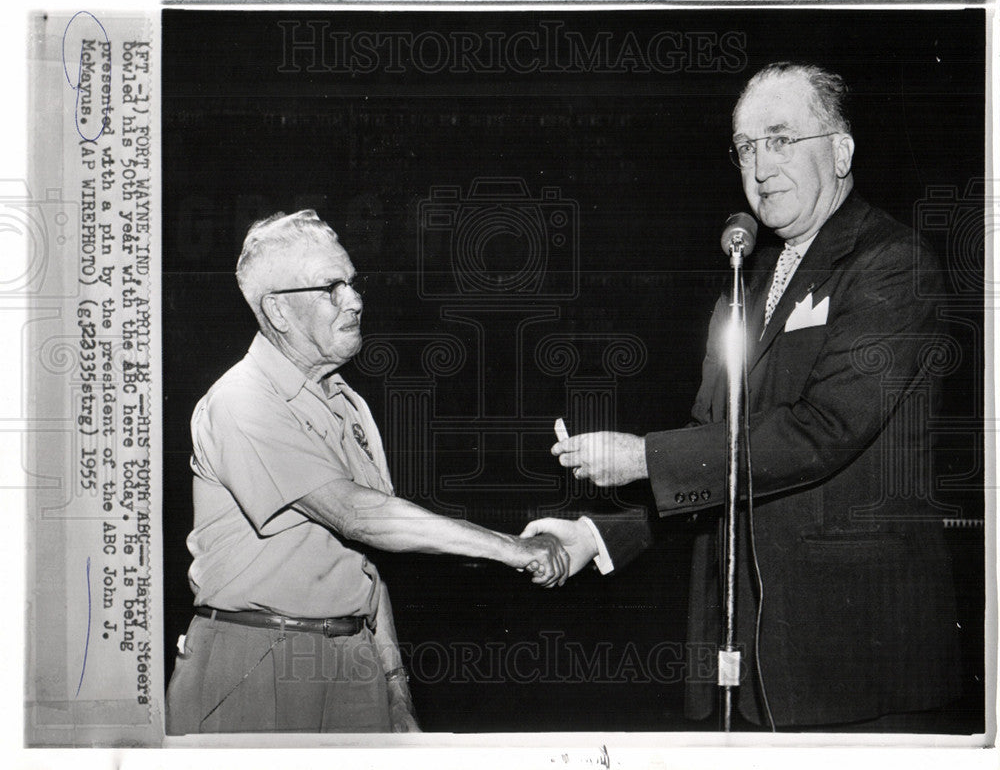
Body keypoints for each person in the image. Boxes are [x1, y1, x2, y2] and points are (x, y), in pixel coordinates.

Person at [524, 62, 962, 731]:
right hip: (751, 663)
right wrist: (596, 535)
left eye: (781, 139)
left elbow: (825, 429)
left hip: (857, 667)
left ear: (840, 151)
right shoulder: (745, 286)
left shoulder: (891, 263)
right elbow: (713, 462)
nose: (760, 165)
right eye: (746, 146)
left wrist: (646, 456)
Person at [166, 210, 569, 735]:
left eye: (352, 283)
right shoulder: (242, 399)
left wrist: (395, 688)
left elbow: (368, 563)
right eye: (331, 288)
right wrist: (508, 547)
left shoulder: (348, 406)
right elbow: (358, 515)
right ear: (278, 311)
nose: (354, 300)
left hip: (354, 657)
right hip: (255, 658)